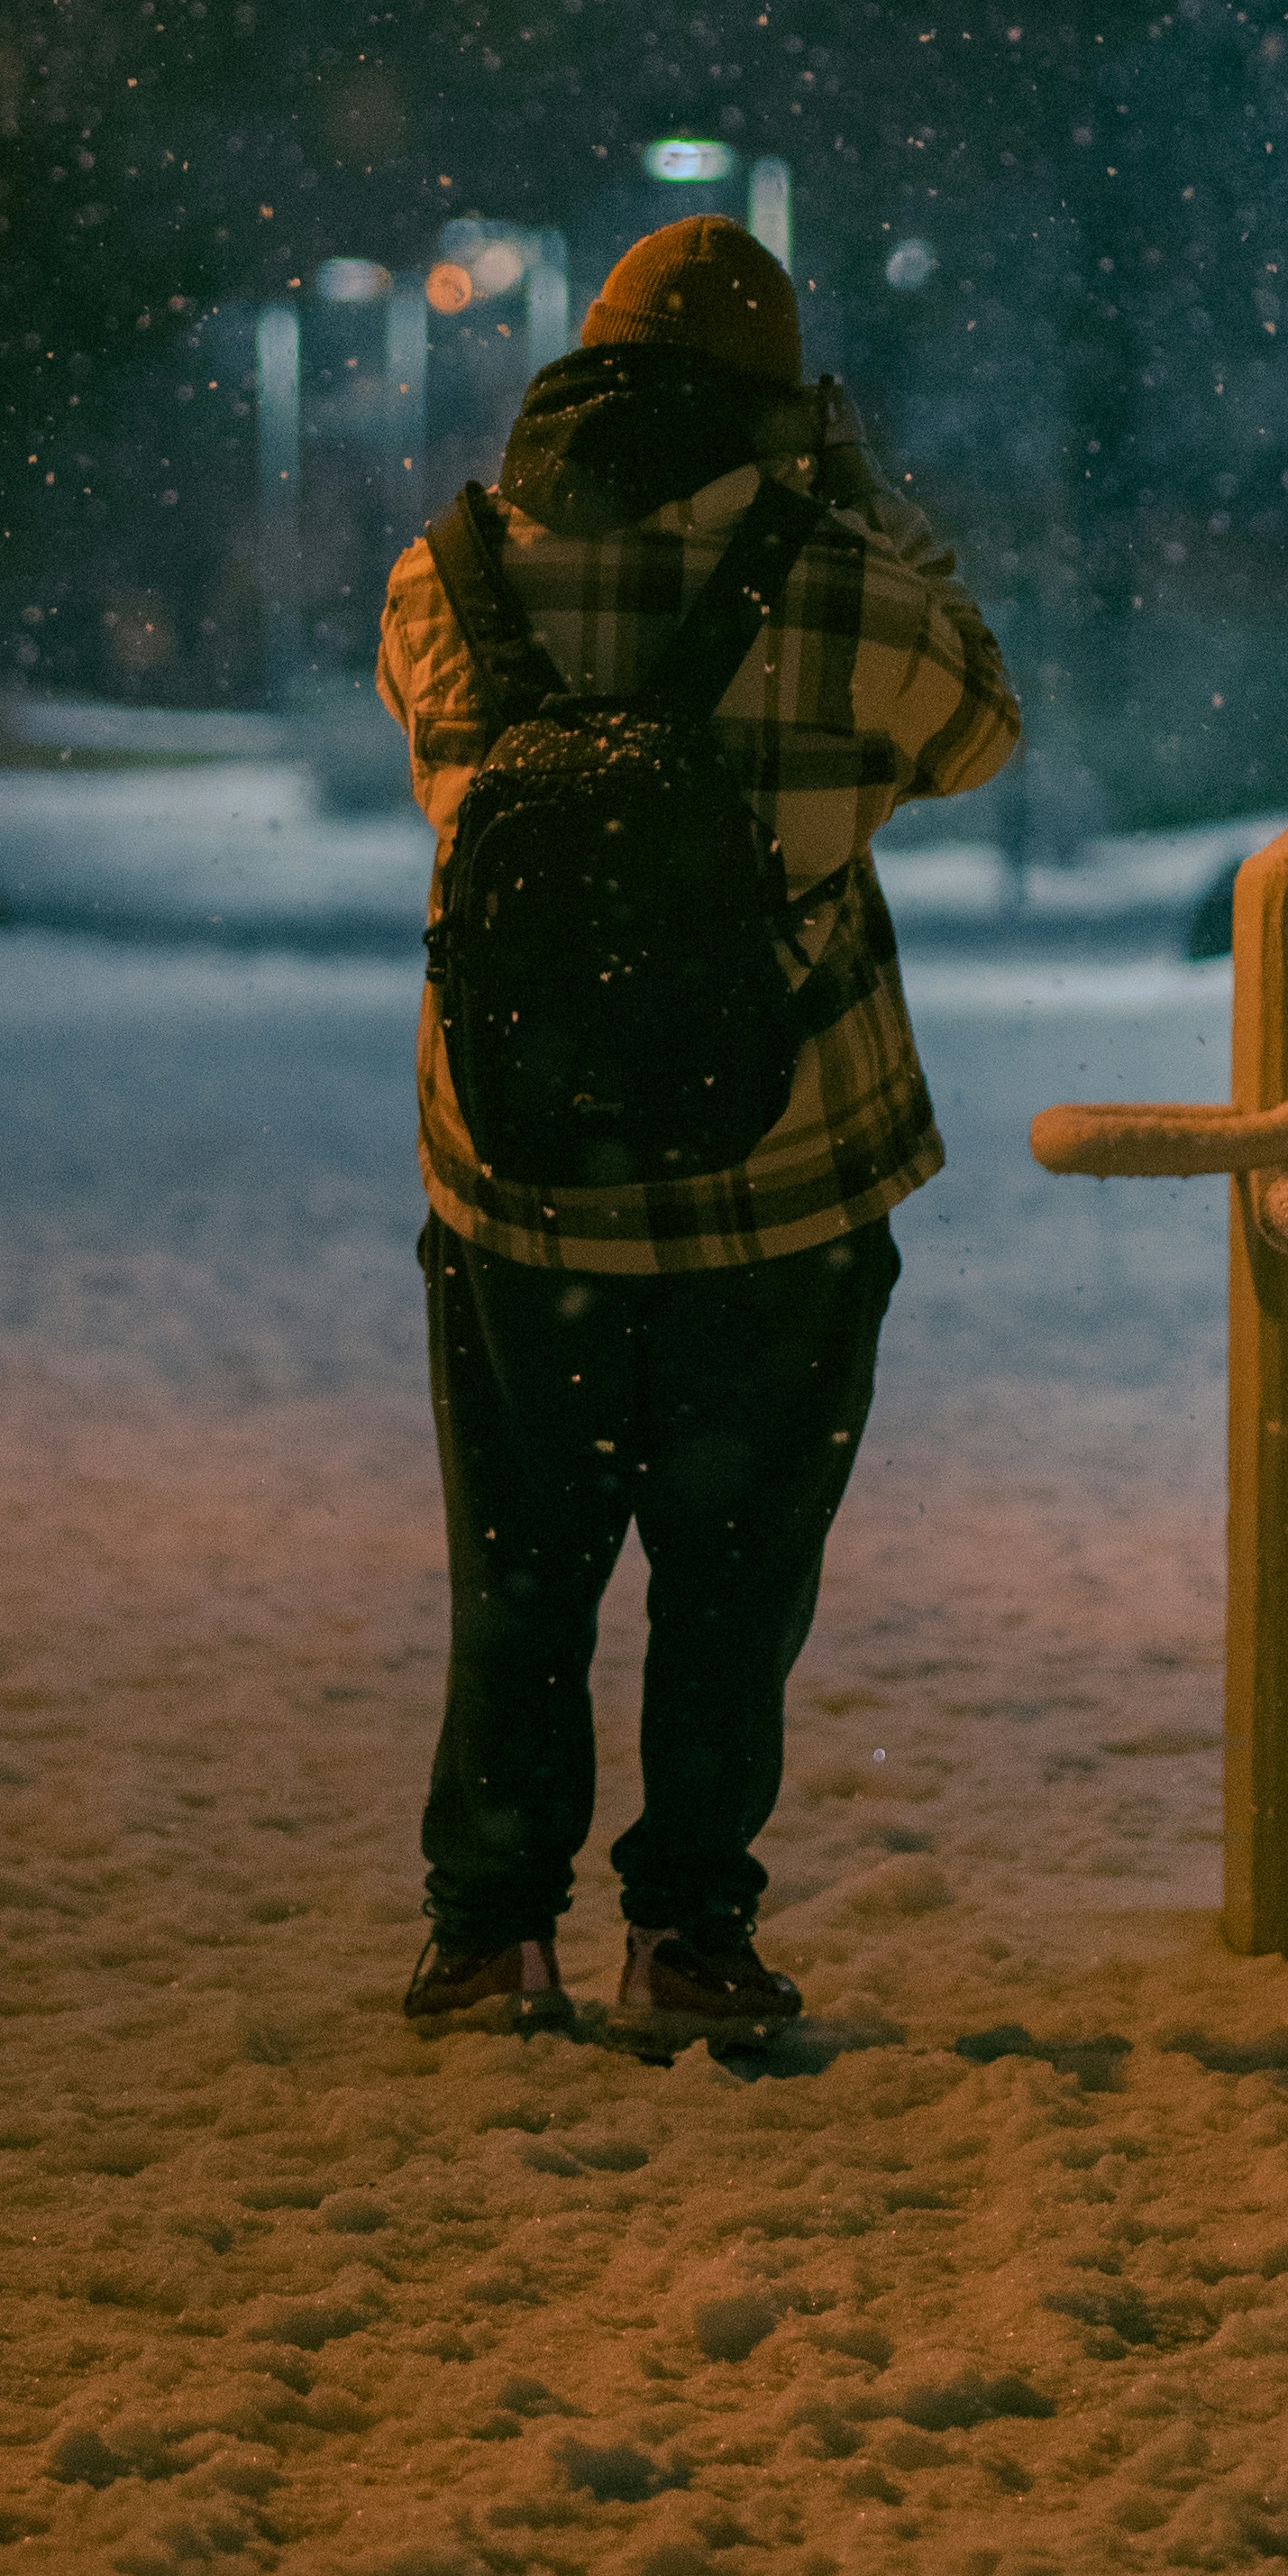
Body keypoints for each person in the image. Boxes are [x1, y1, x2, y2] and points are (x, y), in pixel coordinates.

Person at [374, 211, 1021, 2043]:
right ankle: (691, 1934)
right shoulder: (842, 583)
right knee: (734, 1576)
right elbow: (980, 721)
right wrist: (862, 497)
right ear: (780, 406)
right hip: (788, 1180)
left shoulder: (442, 581)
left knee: (518, 1565)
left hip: (513, 1188)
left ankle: (490, 1931)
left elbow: (442, 780)